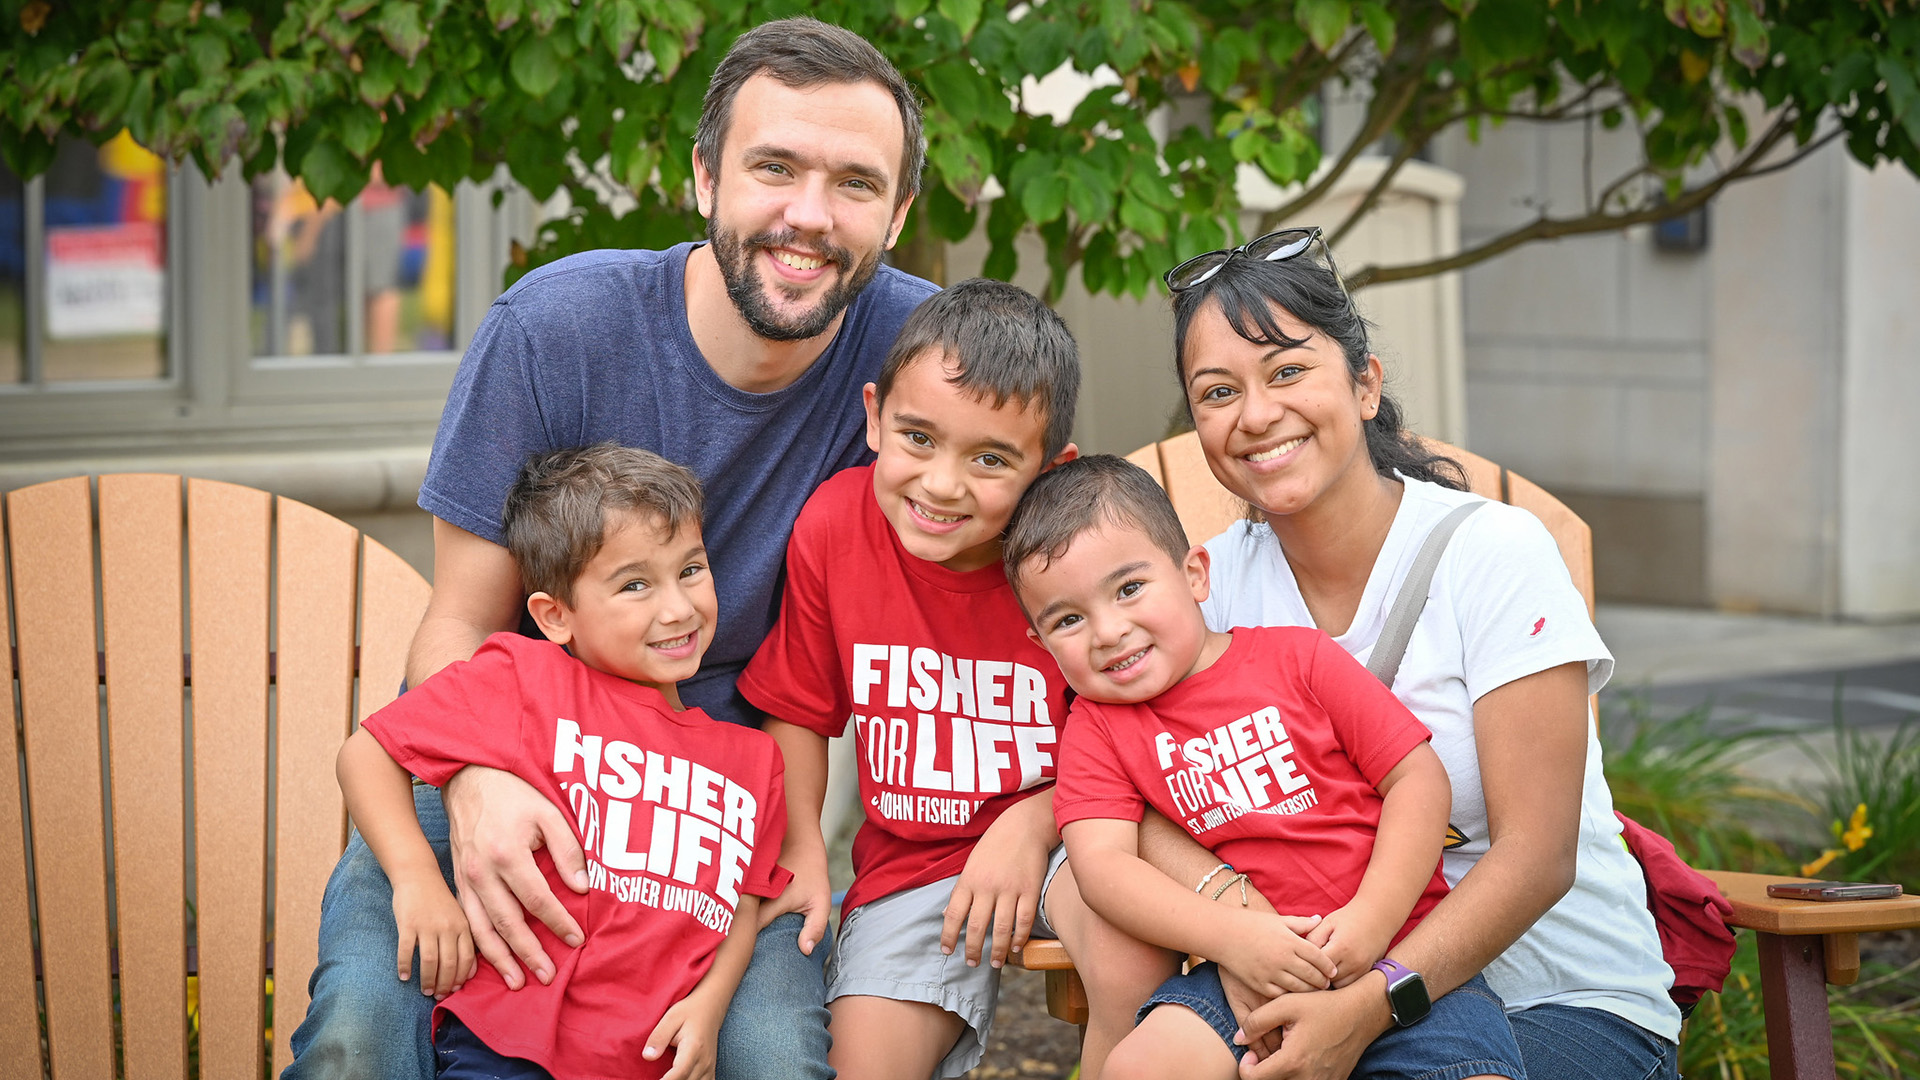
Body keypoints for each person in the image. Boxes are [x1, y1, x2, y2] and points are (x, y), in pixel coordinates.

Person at [285, 18, 937, 1079]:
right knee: (362, 1035)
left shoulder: (921, 366)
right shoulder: (558, 328)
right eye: (774, 167)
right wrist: (477, 780)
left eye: (856, 184)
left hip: (724, 815)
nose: (809, 216)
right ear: (704, 175)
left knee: (774, 1058)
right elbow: (458, 616)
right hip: (518, 750)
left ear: (899, 212)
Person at [1155, 228, 1682, 1080]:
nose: (1255, 415)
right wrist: (1234, 917)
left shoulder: (1493, 555)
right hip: (1310, 977)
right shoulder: (1208, 597)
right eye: (1218, 392)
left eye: (1288, 371)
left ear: (1365, 385)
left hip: (1554, 996)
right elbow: (1123, 799)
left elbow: (1536, 856)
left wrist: (1370, 1008)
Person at [740, 279, 1164, 1080]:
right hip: (915, 865)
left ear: (1049, 469)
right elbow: (799, 709)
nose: (941, 484)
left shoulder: (1069, 562)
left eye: (991, 459)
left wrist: (1034, 824)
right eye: (919, 438)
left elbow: (1142, 728)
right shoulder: (835, 528)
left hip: (1081, 835)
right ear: (873, 416)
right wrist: (802, 843)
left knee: (1128, 953)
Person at [1001, 454, 1525, 1080]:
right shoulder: (1097, 728)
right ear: (1040, 641)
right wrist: (1231, 940)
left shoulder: (1297, 660)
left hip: (1399, 960)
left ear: (1196, 574)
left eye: (1129, 588)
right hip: (1241, 978)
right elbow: (1104, 868)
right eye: (1068, 619)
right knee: (1141, 1066)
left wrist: (1370, 920)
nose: (1109, 630)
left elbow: (1417, 779)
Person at [338, 445, 789, 1079]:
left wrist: (709, 1008)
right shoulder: (526, 681)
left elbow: (741, 899)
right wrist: (418, 881)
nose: (678, 608)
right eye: (635, 584)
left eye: (690, 570)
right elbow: (367, 754)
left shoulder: (752, 759)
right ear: (555, 616)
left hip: (651, 1060)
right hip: (507, 1048)